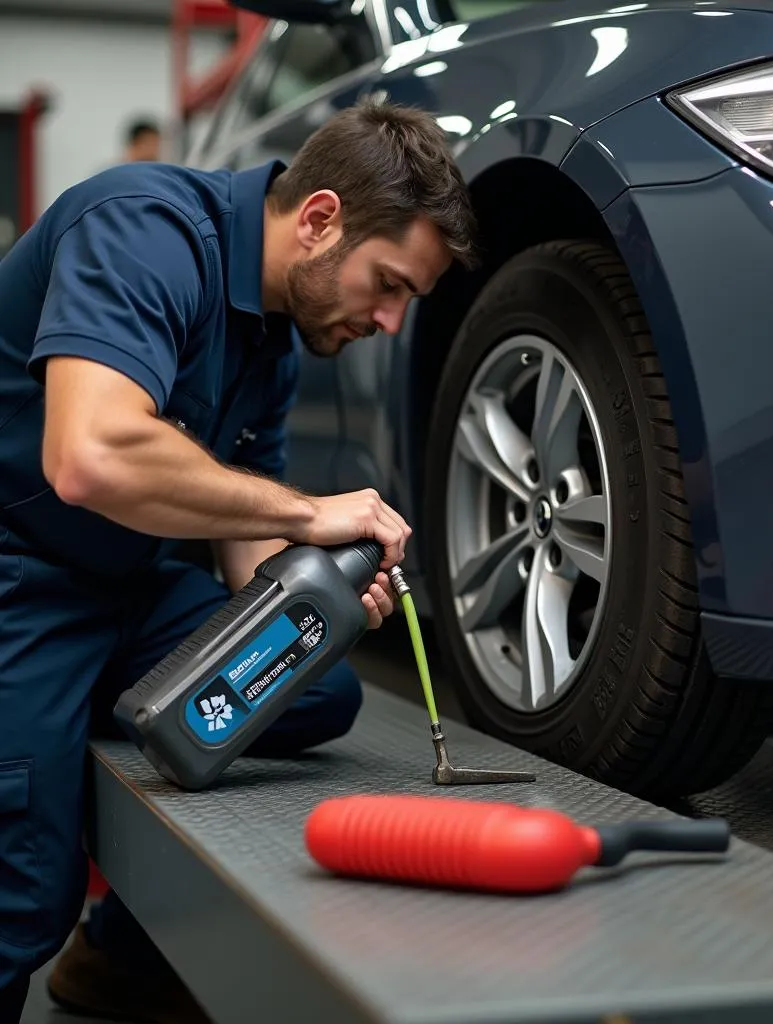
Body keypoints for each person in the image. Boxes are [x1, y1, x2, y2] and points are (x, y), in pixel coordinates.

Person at [0, 97, 477, 1022]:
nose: (387, 321)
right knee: (22, 885)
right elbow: (88, 455)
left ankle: (116, 960)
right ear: (320, 219)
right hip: (20, 573)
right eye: (389, 286)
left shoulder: (275, 335)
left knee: (315, 684)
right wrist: (308, 511)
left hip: (124, 588)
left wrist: (324, 596)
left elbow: (247, 551)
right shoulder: (141, 232)